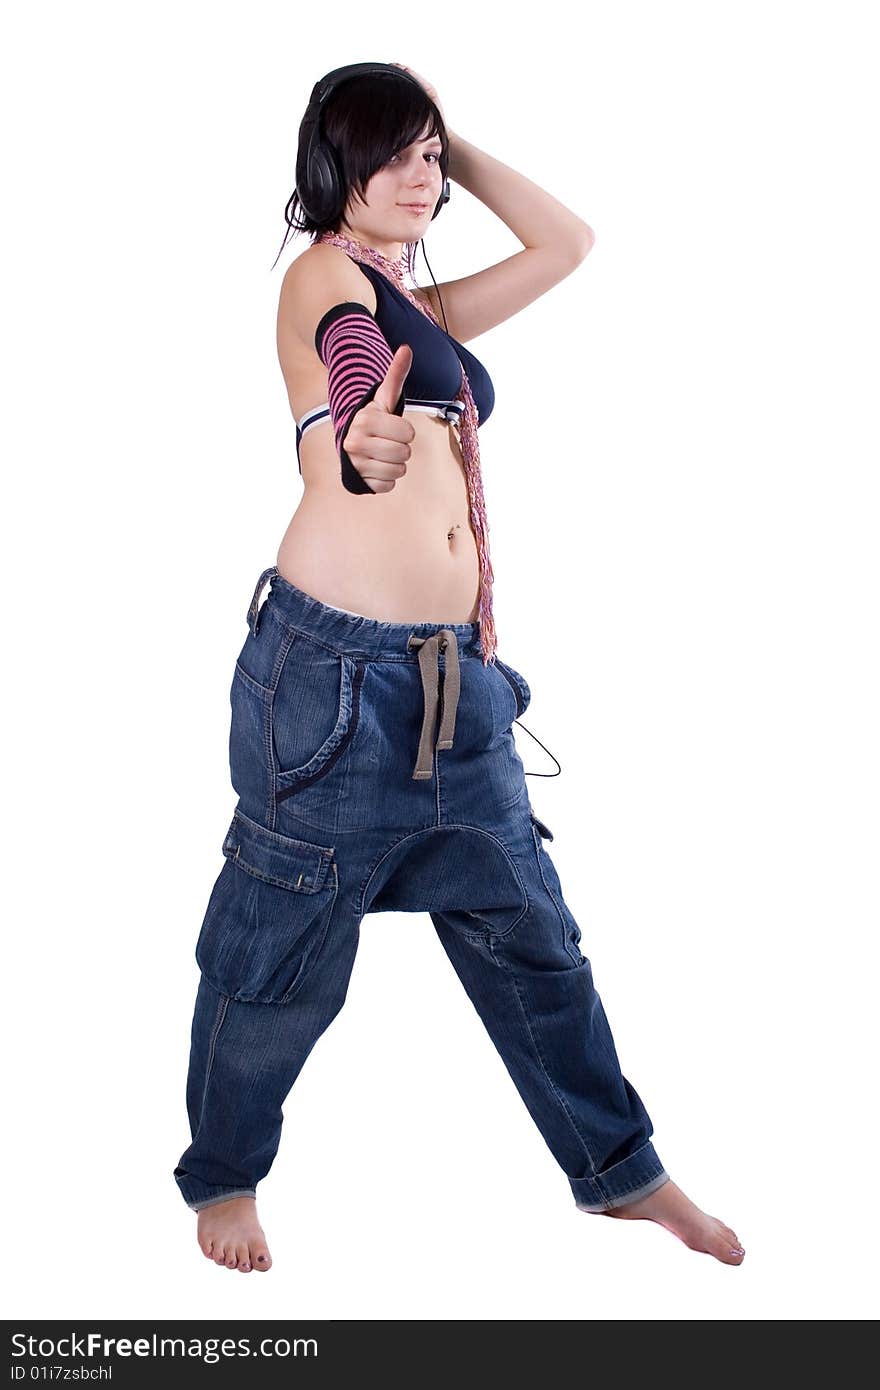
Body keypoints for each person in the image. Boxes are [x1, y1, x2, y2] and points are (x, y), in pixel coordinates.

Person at [173, 62, 746, 1273]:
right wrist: (359, 445)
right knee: (278, 954)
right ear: (330, 167)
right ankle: (224, 1178)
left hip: (455, 687)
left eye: (427, 155)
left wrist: (448, 140)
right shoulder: (327, 278)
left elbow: (567, 242)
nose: (419, 176)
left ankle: (620, 1172)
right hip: (335, 684)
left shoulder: (416, 299)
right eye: (389, 155)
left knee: (532, 937)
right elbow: (343, 387)